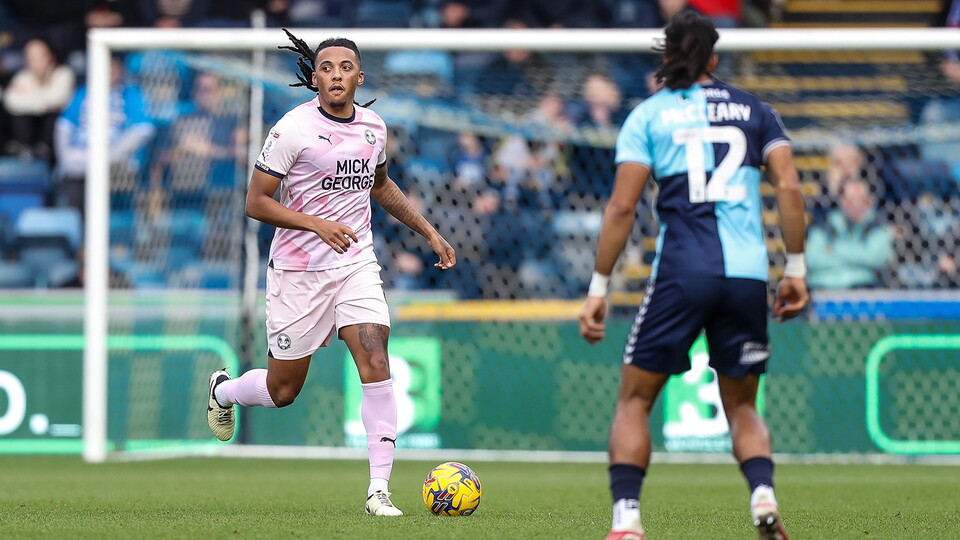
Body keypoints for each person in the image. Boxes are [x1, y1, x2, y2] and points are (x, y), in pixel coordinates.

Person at [205, 30, 456, 517]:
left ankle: (378, 491)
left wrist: (429, 231)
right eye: (326, 67)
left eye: (345, 67)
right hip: (298, 272)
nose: (336, 75)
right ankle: (224, 390)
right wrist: (315, 223)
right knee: (283, 391)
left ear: (359, 77)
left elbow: (380, 186)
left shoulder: (374, 127)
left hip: (355, 263)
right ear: (315, 78)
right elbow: (256, 202)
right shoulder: (292, 129)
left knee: (376, 358)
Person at [578, 12, 807, 540]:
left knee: (635, 400)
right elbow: (791, 188)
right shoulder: (757, 111)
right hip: (747, 275)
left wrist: (599, 287)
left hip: (681, 272)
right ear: (715, 58)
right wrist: (795, 268)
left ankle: (627, 520)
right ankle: (763, 494)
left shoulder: (648, 116)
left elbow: (622, 208)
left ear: (666, 57)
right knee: (743, 404)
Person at [806, 178, 893, 290]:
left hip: (861, 287)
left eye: (861, 199)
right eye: (850, 200)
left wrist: (834, 249)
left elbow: (876, 259)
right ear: (841, 201)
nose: (856, 204)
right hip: (821, 287)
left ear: (870, 201)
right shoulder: (823, 225)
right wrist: (860, 255)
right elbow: (811, 260)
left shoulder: (877, 227)